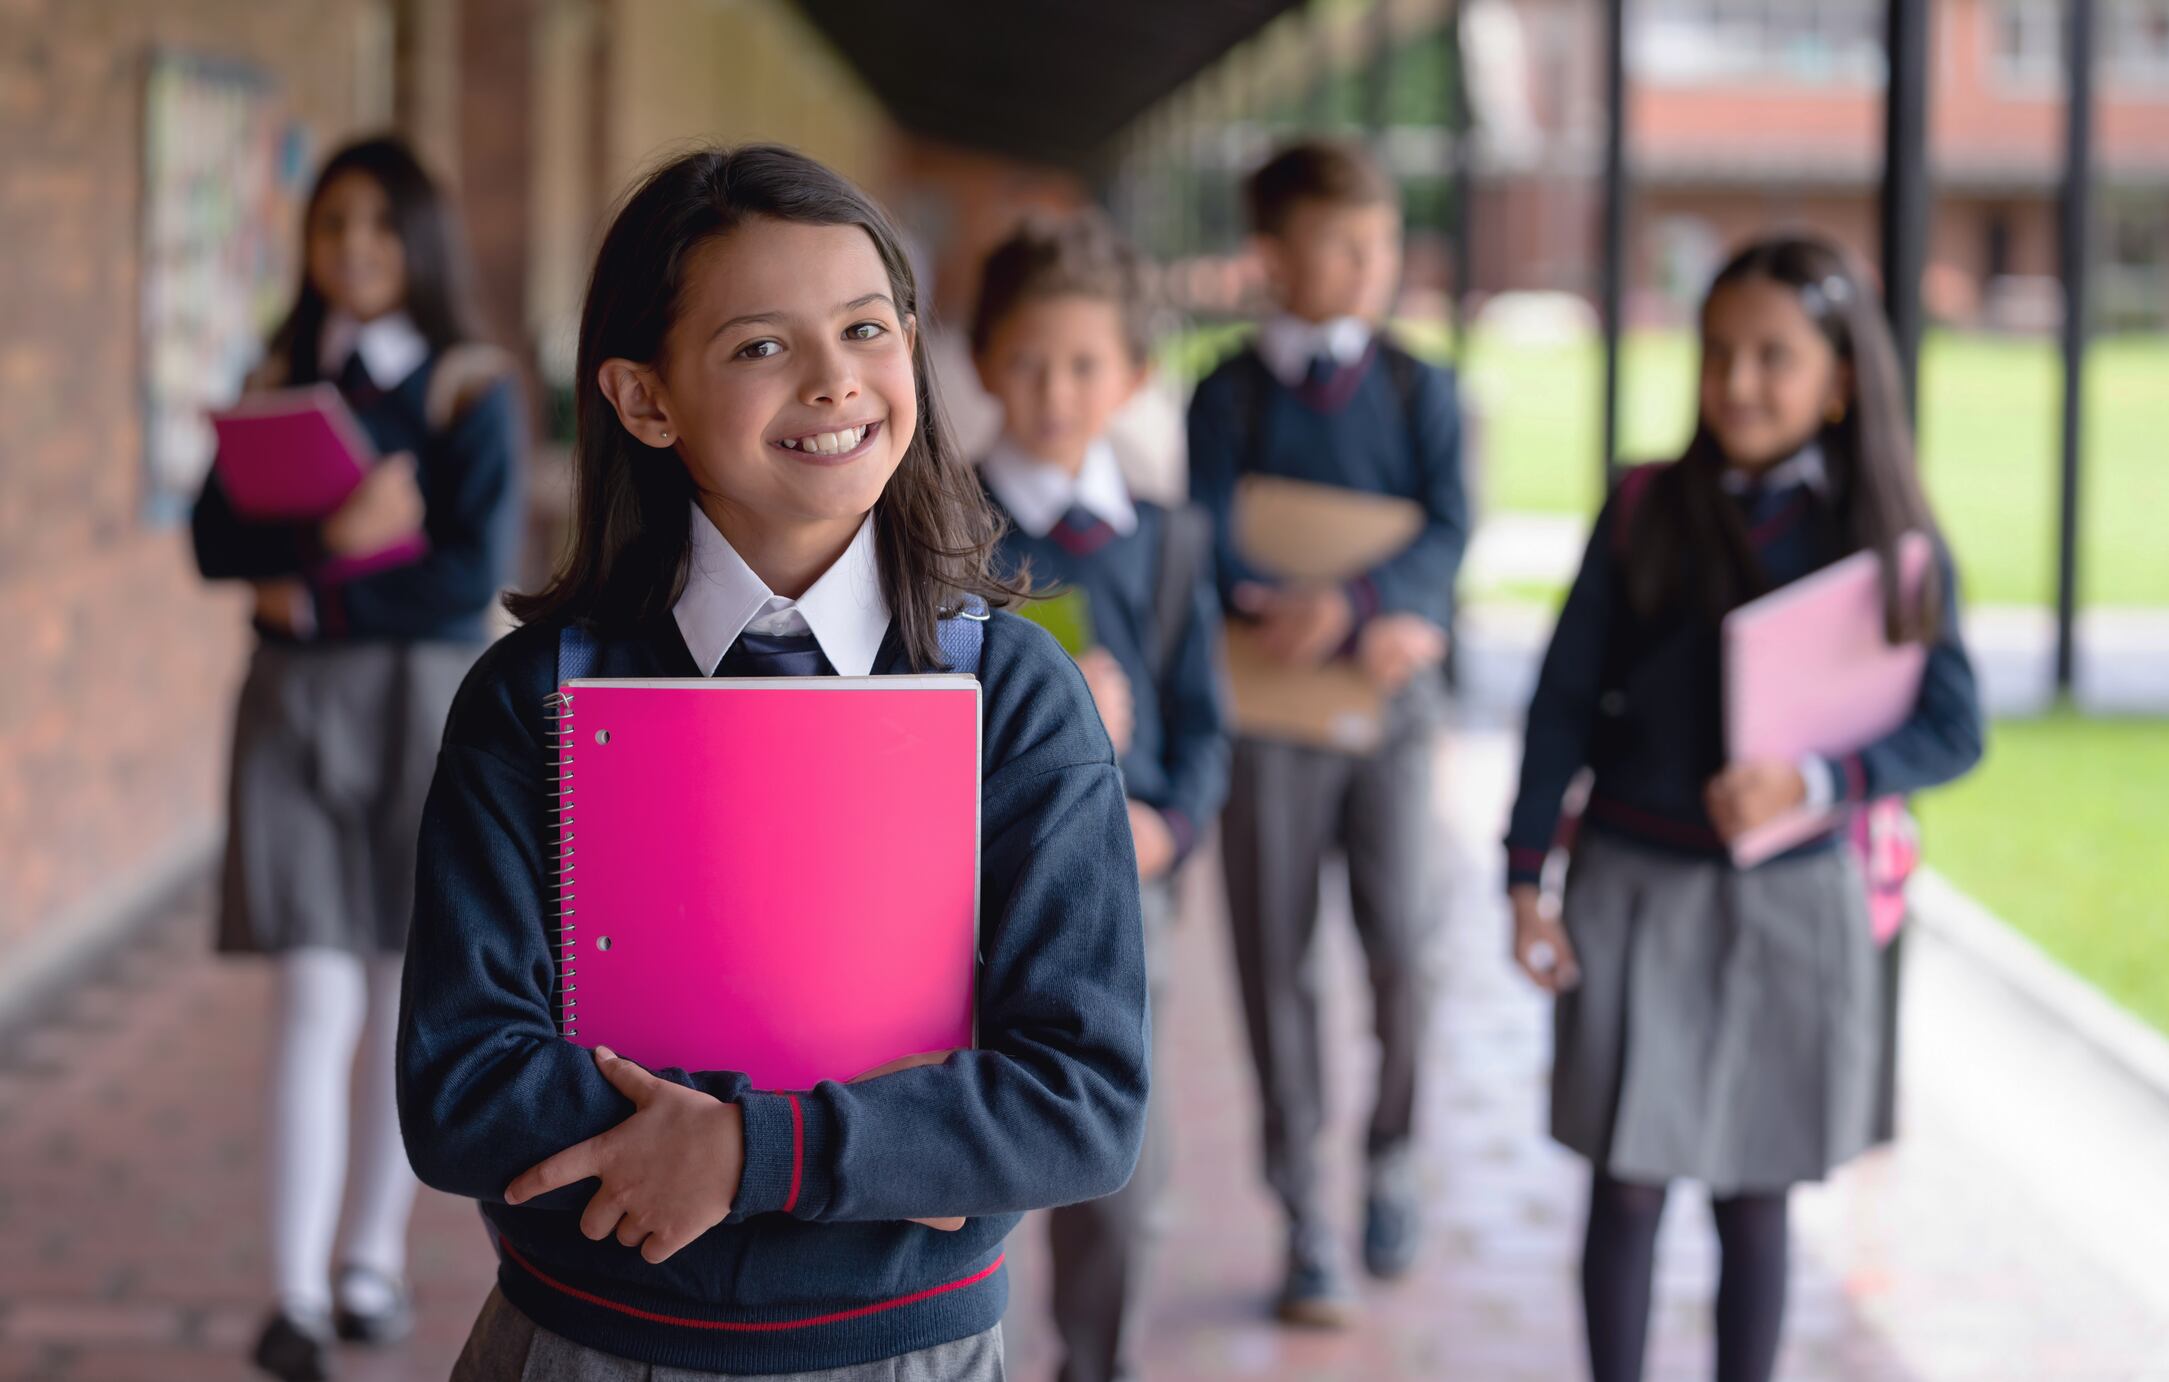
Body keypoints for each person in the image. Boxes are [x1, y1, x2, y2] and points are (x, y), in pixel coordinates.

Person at [397, 144, 1149, 1381]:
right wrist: (893, 1132)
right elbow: (464, 1087)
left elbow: (1082, 1096)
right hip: (588, 1348)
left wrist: (755, 1149)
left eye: (865, 329)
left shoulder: (1013, 699)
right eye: (760, 346)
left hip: (910, 1353)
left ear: (913, 342)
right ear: (644, 399)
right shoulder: (532, 703)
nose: (834, 382)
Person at [1503, 234, 1985, 1382]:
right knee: (1624, 1185)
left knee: (1754, 1195)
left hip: (1791, 900)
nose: (1739, 383)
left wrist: (1821, 781)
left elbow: (1953, 724)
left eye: (1775, 356)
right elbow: (1561, 700)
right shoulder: (1640, 509)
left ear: (1842, 378)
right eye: (1719, 353)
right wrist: (1528, 876)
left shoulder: (1892, 541)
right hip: (1631, 884)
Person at [190, 134, 523, 1382]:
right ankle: (291, 1291)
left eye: (381, 229)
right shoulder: (278, 375)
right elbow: (217, 547)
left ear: (421, 243)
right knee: (312, 993)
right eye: (334, 228)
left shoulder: (467, 388)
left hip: (422, 709)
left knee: (396, 992)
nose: (355, 252)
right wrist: (334, 531)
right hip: (293, 715)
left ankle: (371, 1257)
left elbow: (463, 577)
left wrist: (317, 592)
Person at [1186, 137, 1468, 1327]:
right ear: (1274, 254)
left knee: (1403, 941)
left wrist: (1360, 606)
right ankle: (1305, 1210)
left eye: (1383, 242)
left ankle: (1391, 1155)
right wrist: (1271, 601)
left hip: (1388, 716)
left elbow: (1450, 528)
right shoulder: (1225, 392)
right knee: (1275, 964)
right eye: (1343, 242)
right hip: (1266, 720)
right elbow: (1199, 535)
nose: (1370, 265)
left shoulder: (1418, 388)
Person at [972, 211, 1231, 1382]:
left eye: (1085, 364)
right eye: (1029, 360)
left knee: (1118, 1160)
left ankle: (1096, 1359)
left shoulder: (1169, 541)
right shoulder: (938, 528)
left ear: (1132, 375)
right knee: (960, 1151)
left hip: (1126, 892)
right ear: (982, 363)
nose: (1056, 390)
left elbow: (1202, 724)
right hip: (965, 891)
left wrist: (1167, 824)